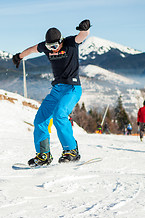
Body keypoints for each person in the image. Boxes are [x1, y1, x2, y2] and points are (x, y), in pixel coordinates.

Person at [12, 19, 91, 166]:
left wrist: (85, 29)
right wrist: (19, 57)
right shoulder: (46, 47)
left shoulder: (69, 43)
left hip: (72, 89)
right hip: (56, 90)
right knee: (40, 120)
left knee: (59, 115)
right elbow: (32, 49)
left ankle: (71, 150)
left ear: (60, 41)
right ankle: (43, 155)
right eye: (49, 46)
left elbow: (82, 36)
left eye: (55, 46)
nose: (52, 49)